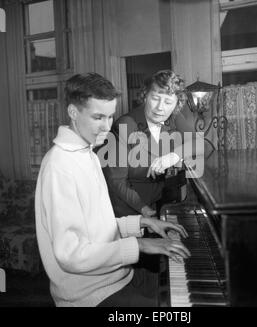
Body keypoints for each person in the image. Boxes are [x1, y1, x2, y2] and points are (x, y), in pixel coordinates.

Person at [34, 72, 191, 307]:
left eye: (110, 117)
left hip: (119, 276)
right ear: (73, 112)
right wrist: (140, 244)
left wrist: (142, 223)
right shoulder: (60, 166)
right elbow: (71, 255)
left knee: (181, 293)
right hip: (90, 295)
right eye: (98, 117)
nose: (107, 127)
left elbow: (96, 227)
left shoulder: (87, 154)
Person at [99, 70, 204, 219]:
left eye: (168, 102)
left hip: (160, 202)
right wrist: (145, 210)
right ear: (145, 96)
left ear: (176, 105)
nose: (160, 107)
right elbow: (116, 181)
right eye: (155, 98)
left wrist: (173, 156)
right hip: (130, 209)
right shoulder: (125, 125)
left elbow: (198, 143)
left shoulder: (174, 117)